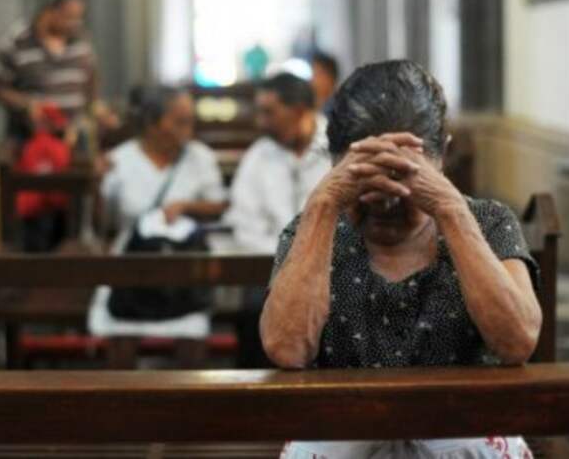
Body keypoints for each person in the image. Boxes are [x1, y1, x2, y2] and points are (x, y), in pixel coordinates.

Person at [261, 60, 541, 459]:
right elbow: (287, 349)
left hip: (463, 429)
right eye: (367, 184)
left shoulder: (488, 222)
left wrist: (450, 209)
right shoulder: (310, 230)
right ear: (334, 162)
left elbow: (518, 342)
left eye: (404, 179)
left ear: (441, 156)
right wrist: (322, 207)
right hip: (343, 430)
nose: (387, 202)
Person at [87, 85, 228, 350]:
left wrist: (186, 206)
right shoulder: (120, 159)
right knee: (122, 333)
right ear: (152, 124)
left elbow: (219, 205)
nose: (189, 128)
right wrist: (97, 186)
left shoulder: (200, 157)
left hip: (185, 262)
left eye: (190, 121)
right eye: (180, 122)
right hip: (132, 260)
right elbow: (102, 224)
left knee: (190, 333)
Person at [224, 72, 331, 366]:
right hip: (267, 269)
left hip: (332, 267)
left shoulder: (337, 148)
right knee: (252, 316)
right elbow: (245, 224)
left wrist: (313, 257)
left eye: (269, 112)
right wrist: (290, 258)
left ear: (298, 111)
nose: (261, 121)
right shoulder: (258, 157)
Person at [0, 0, 117, 156]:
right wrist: (28, 104)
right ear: (48, 11)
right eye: (69, 17)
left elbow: (90, 83)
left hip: (73, 140)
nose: (75, 23)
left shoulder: (81, 41)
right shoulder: (18, 41)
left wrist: (97, 110)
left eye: (78, 17)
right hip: (30, 142)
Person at [310, 51, 339, 116]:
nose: (312, 80)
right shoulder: (315, 104)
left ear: (329, 77)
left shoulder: (338, 107)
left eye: (316, 74)